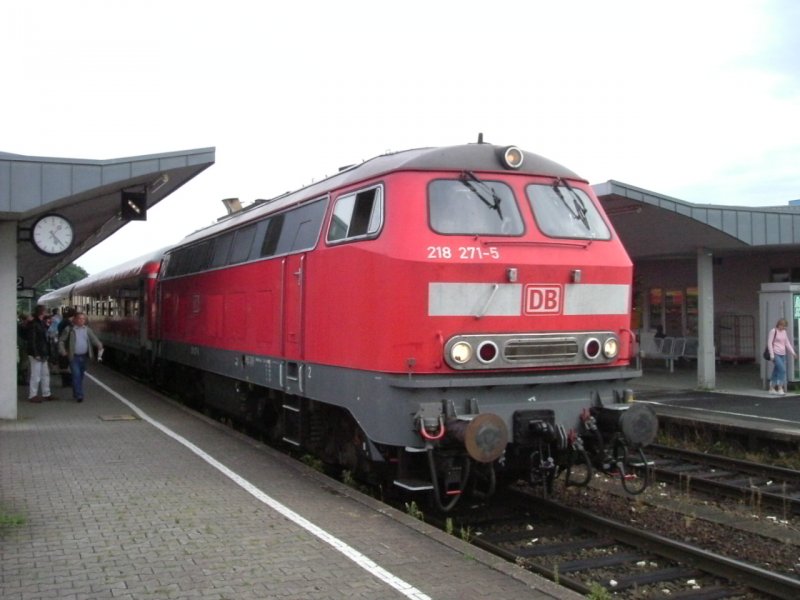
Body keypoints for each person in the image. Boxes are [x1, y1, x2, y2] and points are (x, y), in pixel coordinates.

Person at [59, 312, 103, 403]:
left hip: (84, 356)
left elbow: (93, 339)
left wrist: (99, 345)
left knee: (81, 376)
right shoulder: (69, 330)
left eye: (83, 319)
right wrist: (63, 351)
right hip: (73, 356)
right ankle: (79, 395)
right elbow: (61, 341)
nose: (82, 320)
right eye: (80, 318)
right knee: (76, 375)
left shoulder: (87, 330)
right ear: (75, 319)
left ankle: (76, 392)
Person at [27, 305, 56, 402]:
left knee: (45, 374)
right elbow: (32, 340)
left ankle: (46, 393)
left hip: (43, 352)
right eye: (46, 311)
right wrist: (36, 354)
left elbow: (42, 336)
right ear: (42, 312)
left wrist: (47, 325)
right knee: (36, 375)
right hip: (37, 353)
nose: (47, 312)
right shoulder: (34, 324)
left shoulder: (40, 323)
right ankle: (32, 395)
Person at [767, 318, 797, 395]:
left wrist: (793, 353)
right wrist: (772, 355)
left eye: (785, 327)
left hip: (783, 354)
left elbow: (787, 343)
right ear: (779, 325)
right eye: (783, 326)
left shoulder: (784, 332)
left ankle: (771, 388)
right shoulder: (773, 331)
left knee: (776, 370)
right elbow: (770, 343)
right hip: (775, 353)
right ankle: (780, 387)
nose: (784, 328)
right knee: (782, 370)